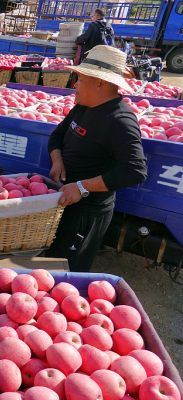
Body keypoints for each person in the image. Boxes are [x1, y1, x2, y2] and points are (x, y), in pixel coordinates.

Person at [46, 45, 147, 272]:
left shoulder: (120, 121)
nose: (75, 85)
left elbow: (136, 170)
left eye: (80, 79)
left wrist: (82, 187)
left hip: (87, 213)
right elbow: (57, 136)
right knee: (49, 266)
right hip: (63, 202)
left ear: (100, 82)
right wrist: (57, 160)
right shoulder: (83, 108)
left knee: (67, 273)